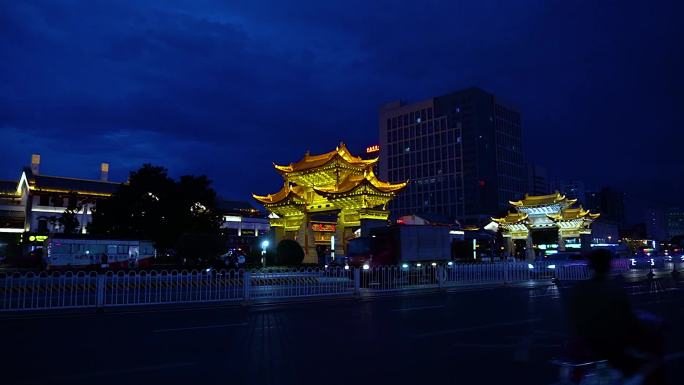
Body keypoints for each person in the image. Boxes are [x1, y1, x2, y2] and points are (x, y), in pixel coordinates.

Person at [566, 249, 665, 384]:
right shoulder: (614, 289)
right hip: (611, 344)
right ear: (609, 266)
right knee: (653, 355)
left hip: (583, 341)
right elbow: (628, 319)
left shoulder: (578, 289)